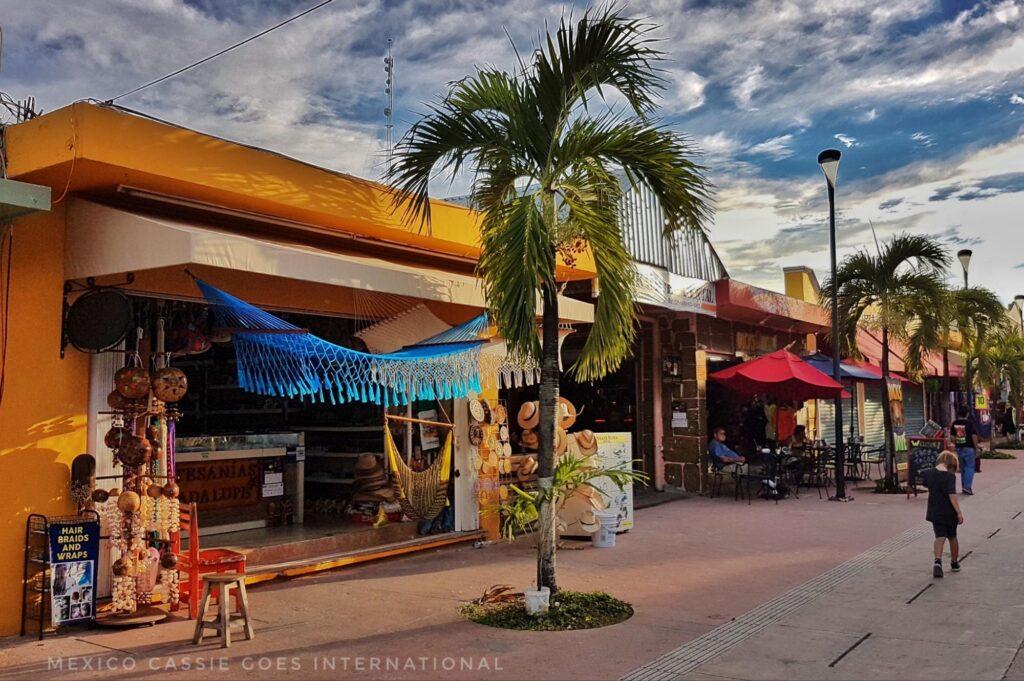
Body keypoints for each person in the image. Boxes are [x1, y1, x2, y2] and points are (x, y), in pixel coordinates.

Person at [921, 451, 964, 578]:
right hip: (949, 512)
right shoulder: (950, 477)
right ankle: (954, 562)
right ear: (951, 465)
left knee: (939, 536)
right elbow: (952, 495)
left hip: (935, 511)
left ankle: (937, 561)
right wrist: (959, 512)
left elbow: (923, 483)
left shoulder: (928, 473)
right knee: (952, 537)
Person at [950, 406, 979, 494]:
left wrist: (956, 444)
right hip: (969, 448)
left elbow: (952, 437)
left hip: (959, 448)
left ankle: (964, 487)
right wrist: (976, 447)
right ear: (967, 414)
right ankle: (967, 487)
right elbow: (973, 436)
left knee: (963, 468)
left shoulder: (954, 423)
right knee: (970, 467)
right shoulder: (969, 423)